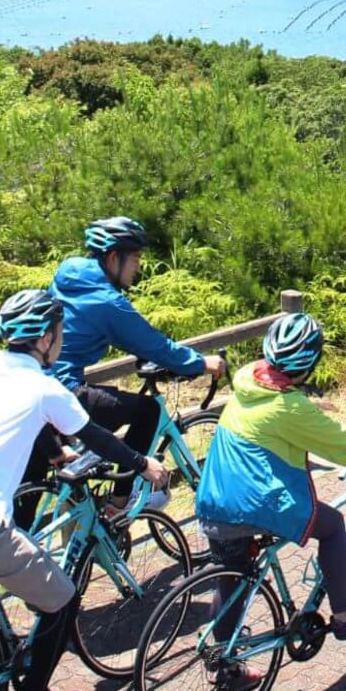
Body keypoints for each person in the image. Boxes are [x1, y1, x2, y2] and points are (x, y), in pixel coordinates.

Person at [0, 287, 168, 691]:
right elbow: (95, 436)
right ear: (45, 337)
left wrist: (55, 456)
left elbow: (16, 421)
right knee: (63, 598)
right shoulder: (44, 387)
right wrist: (141, 463)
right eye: (59, 330)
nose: (61, 338)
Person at [194, 310, 346, 691]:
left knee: (232, 578)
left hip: (214, 501)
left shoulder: (248, 382)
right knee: (333, 527)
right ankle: (344, 614)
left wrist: (309, 407)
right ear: (311, 361)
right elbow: (344, 447)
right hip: (252, 506)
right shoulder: (291, 408)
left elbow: (281, 412)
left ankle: (227, 667)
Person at [29, 215, 225, 516]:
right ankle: (122, 500)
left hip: (36, 390)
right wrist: (202, 363)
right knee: (149, 412)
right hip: (65, 392)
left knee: (29, 498)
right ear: (113, 257)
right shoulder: (108, 302)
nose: (138, 267)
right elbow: (155, 346)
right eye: (135, 258)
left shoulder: (68, 275)